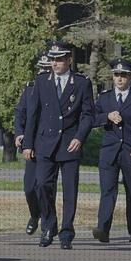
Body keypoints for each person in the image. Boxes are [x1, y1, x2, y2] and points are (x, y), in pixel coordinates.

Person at [24, 41, 94, 249]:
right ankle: (48, 225)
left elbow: (88, 114)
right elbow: (33, 114)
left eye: (60, 59)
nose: (55, 63)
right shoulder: (42, 81)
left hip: (70, 143)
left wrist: (80, 137)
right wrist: (28, 144)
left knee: (70, 190)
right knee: (42, 185)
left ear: (69, 60)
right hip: (45, 142)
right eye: (53, 59)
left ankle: (66, 233)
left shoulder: (81, 83)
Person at [92, 58, 131, 244]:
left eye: (123, 75)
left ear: (130, 77)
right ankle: (103, 228)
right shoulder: (104, 97)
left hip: (130, 150)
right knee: (107, 190)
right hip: (109, 151)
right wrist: (106, 116)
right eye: (116, 75)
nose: (119, 79)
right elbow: (91, 118)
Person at [14, 53, 51, 235]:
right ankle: (34, 214)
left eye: (47, 69)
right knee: (29, 187)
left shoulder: (55, 90)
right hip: (30, 142)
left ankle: (47, 221)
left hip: (48, 143)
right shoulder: (30, 89)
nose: (43, 72)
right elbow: (20, 114)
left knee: (43, 186)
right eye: (41, 69)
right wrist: (20, 134)